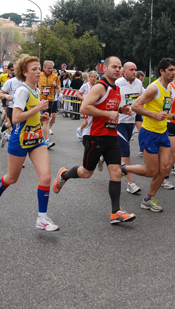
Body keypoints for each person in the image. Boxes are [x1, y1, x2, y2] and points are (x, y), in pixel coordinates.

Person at [53, 56, 136, 225]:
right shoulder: (100, 87)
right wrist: (107, 114)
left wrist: (120, 109)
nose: (117, 69)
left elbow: (108, 107)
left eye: (119, 67)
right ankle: (64, 175)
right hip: (95, 136)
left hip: (111, 136)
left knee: (116, 172)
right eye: (114, 66)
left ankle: (116, 212)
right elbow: (84, 107)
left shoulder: (116, 88)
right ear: (104, 69)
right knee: (86, 172)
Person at [0, 55, 59, 230]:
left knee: (46, 177)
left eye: (38, 68)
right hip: (19, 140)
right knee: (12, 178)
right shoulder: (22, 90)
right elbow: (16, 118)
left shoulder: (36, 89)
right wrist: (37, 109)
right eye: (33, 69)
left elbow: (31, 114)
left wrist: (40, 116)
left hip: (36, 139)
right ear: (24, 72)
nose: (37, 72)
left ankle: (42, 218)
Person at [131, 58, 175, 212]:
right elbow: (135, 106)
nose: (174, 73)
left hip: (162, 132)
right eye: (171, 70)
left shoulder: (170, 89)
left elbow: (163, 112)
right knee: (151, 171)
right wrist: (153, 115)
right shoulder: (154, 88)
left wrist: (174, 116)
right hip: (149, 133)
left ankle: (148, 199)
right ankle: (124, 168)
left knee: (165, 169)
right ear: (162, 71)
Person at [116, 62, 145, 194]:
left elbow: (145, 96)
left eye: (136, 69)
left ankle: (102, 157)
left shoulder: (138, 84)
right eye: (131, 70)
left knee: (119, 149)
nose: (134, 72)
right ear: (124, 71)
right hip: (118, 122)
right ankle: (130, 183)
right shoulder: (117, 83)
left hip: (130, 122)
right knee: (125, 151)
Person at [37, 60, 58, 148]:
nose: (50, 70)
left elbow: (58, 87)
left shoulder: (55, 76)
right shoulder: (39, 75)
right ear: (44, 68)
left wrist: (56, 85)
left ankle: (46, 140)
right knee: (38, 120)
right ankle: (38, 137)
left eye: (51, 68)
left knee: (46, 120)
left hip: (49, 100)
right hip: (39, 100)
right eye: (48, 68)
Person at [76, 71, 98, 141]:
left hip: (93, 106)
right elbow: (78, 94)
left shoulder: (96, 86)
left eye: (95, 77)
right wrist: (85, 99)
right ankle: (80, 130)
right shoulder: (85, 86)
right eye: (92, 77)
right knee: (88, 121)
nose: (93, 78)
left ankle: (85, 133)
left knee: (91, 121)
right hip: (85, 106)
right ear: (89, 77)